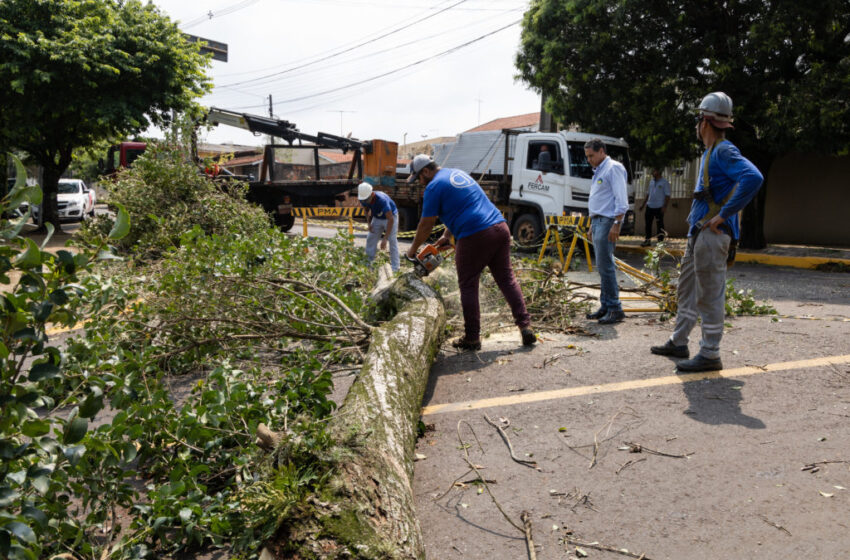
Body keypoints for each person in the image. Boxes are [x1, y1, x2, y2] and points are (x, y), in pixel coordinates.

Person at [650, 91, 763, 372]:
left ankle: (711, 352)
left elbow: (753, 177)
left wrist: (723, 215)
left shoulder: (723, 150)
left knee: (709, 295)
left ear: (705, 122)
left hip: (712, 236)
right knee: (687, 289)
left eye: (698, 119)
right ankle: (679, 340)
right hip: (699, 235)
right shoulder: (710, 152)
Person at [404, 154, 536, 351]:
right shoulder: (456, 173)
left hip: (476, 233)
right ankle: (525, 327)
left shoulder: (433, 187)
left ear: (425, 171)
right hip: (499, 228)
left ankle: (472, 338)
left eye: (419, 179)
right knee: (507, 279)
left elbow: (426, 224)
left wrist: (412, 251)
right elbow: (466, 204)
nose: (420, 183)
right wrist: (448, 235)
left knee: (467, 284)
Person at [584, 139, 628, 325]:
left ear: (601, 151)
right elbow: (599, 199)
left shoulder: (613, 168)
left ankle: (615, 308)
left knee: (606, 266)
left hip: (608, 221)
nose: (589, 160)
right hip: (598, 221)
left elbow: (621, 199)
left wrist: (617, 223)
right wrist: (590, 225)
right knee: (602, 266)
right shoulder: (599, 170)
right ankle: (605, 306)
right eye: (587, 157)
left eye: (591, 155)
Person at [358, 182, 400, 272]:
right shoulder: (363, 198)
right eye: (363, 200)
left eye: (366, 200)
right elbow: (366, 210)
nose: (365, 202)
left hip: (391, 217)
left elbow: (390, 219)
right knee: (370, 239)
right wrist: (369, 224)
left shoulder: (382, 200)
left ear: (372, 194)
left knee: (392, 240)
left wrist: (385, 238)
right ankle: (368, 266)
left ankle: (395, 268)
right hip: (377, 217)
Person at [640, 168, 671, 246]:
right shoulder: (651, 182)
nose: (652, 173)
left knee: (660, 225)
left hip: (659, 207)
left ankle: (660, 242)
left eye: (654, 171)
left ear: (658, 172)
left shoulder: (664, 182)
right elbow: (648, 194)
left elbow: (667, 195)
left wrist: (664, 207)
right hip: (649, 206)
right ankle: (647, 240)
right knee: (648, 224)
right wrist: (643, 205)